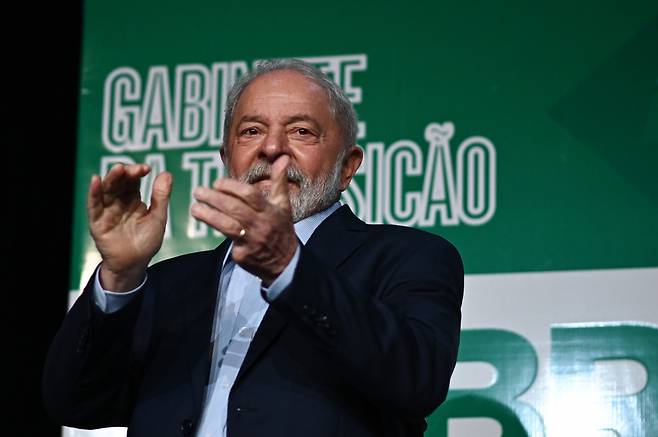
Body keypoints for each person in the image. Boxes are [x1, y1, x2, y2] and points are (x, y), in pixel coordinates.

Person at [43, 59, 464, 437]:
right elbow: (76, 404)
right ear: (228, 157)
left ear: (348, 166)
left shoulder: (408, 257)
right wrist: (119, 277)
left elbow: (417, 381)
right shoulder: (168, 283)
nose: (273, 147)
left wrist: (289, 267)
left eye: (301, 131)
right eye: (252, 130)